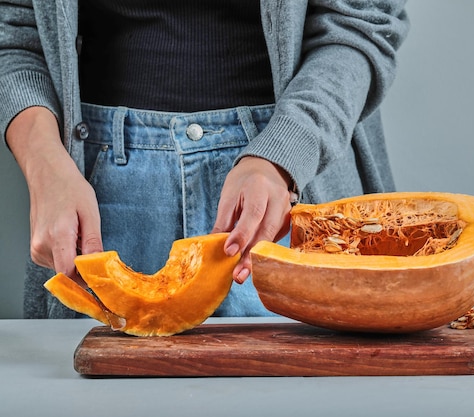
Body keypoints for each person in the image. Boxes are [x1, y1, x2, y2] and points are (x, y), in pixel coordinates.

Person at [0, 1, 410, 318]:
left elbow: (362, 24)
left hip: (291, 187)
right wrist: (45, 166)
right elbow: (12, 30)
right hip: (97, 190)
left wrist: (282, 155)